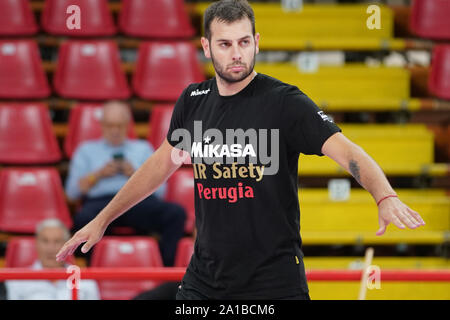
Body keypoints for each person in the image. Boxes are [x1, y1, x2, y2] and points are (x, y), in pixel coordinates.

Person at [56, 0, 426, 300]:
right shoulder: (194, 100)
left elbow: (347, 152)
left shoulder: (285, 102)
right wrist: (102, 219)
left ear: (257, 41)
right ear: (206, 46)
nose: (237, 54)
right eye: (225, 43)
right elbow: (157, 167)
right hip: (205, 279)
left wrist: (384, 195)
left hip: (273, 282)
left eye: (244, 42)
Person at [65, 101, 186, 267]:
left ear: (127, 125)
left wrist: (136, 175)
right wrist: (98, 175)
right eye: (110, 125)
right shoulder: (86, 150)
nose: (115, 131)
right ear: (101, 125)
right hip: (101, 204)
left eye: (120, 126)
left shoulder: (143, 148)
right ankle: (92, 274)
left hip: (138, 202)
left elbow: (161, 192)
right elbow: (72, 192)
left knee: (175, 214)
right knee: (83, 218)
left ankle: (166, 274)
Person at [5, 219, 100, 300]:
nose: (51, 248)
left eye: (57, 241)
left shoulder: (86, 281)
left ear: (68, 245)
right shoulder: (17, 281)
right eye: (45, 241)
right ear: (36, 244)